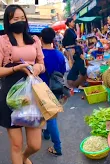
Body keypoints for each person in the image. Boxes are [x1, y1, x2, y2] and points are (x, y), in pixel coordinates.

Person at [0, 5, 45, 164]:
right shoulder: (1, 40)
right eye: (15, 19)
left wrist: (37, 67)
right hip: (11, 94)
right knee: (16, 144)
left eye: (22, 17)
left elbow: (42, 65)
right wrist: (17, 67)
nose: (20, 21)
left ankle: (24, 156)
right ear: (8, 21)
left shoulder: (35, 40)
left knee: (35, 144)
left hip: (32, 92)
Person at [39, 27, 65, 156]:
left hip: (43, 88)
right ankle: (47, 133)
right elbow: (63, 71)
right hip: (57, 87)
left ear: (41, 39)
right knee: (51, 114)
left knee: (50, 118)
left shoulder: (39, 55)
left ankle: (57, 147)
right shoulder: (59, 54)